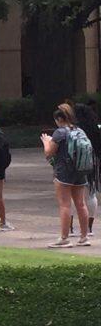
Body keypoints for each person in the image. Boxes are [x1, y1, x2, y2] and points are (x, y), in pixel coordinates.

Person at [42, 103, 92, 247]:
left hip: (64, 172)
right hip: (80, 170)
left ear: (59, 119)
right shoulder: (79, 130)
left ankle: (64, 238)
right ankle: (84, 237)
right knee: (81, 204)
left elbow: (49, 153)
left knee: (65, 205)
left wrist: (46, 142)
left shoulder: (60, 132)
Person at [75, 102, 101, 236]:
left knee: (74, 195)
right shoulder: (95, 128)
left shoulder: (75, 129)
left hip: (77, 164)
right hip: (93, 162)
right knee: (91, 193)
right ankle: (89, 226)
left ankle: (72, 228)